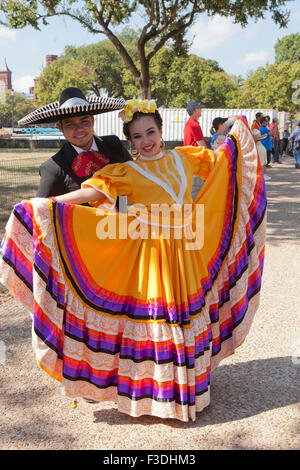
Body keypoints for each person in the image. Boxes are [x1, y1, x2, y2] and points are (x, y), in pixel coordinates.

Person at [0, 99, 266, 422]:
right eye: (137, 137)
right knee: (160, 322)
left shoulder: (185, 157)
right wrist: (46, 204)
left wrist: (237, 139)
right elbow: (91, 193)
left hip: (187, 253)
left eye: (150, 132)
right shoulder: (126, 171)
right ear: (130, 141)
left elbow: (220, 163)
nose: (146, 141)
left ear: (161, 130)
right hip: (152, 256)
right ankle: (161, 396)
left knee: (186, 317)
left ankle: (190, 389)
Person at [17, 87, 132, 198]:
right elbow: (42, 208)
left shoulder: (113, 144)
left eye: (84, 121)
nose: (79, 129)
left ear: (92, 120)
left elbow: (135, 177)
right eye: (70, 124)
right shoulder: (53, 168)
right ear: (60, 127)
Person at [183, 101, 206, 200]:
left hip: (190, 160)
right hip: (196, 161)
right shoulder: (194, 125)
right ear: (195, 110)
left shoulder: (189, 123)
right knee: (196, 190)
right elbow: (201, 145)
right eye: (200, 108)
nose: (201, 110)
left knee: (193, 189)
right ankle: (193, 214)